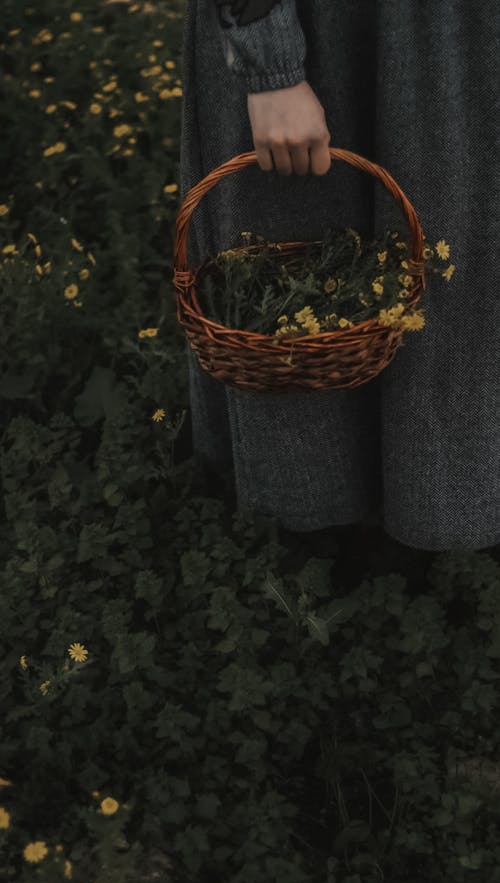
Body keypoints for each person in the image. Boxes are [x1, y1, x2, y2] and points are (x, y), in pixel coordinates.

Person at [178, 0, 500, 574]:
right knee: (298, 245)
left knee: (461, 264)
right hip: (326, 28)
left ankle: (446, 511)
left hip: (467, 37)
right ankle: (321, 542)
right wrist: (269, 58)